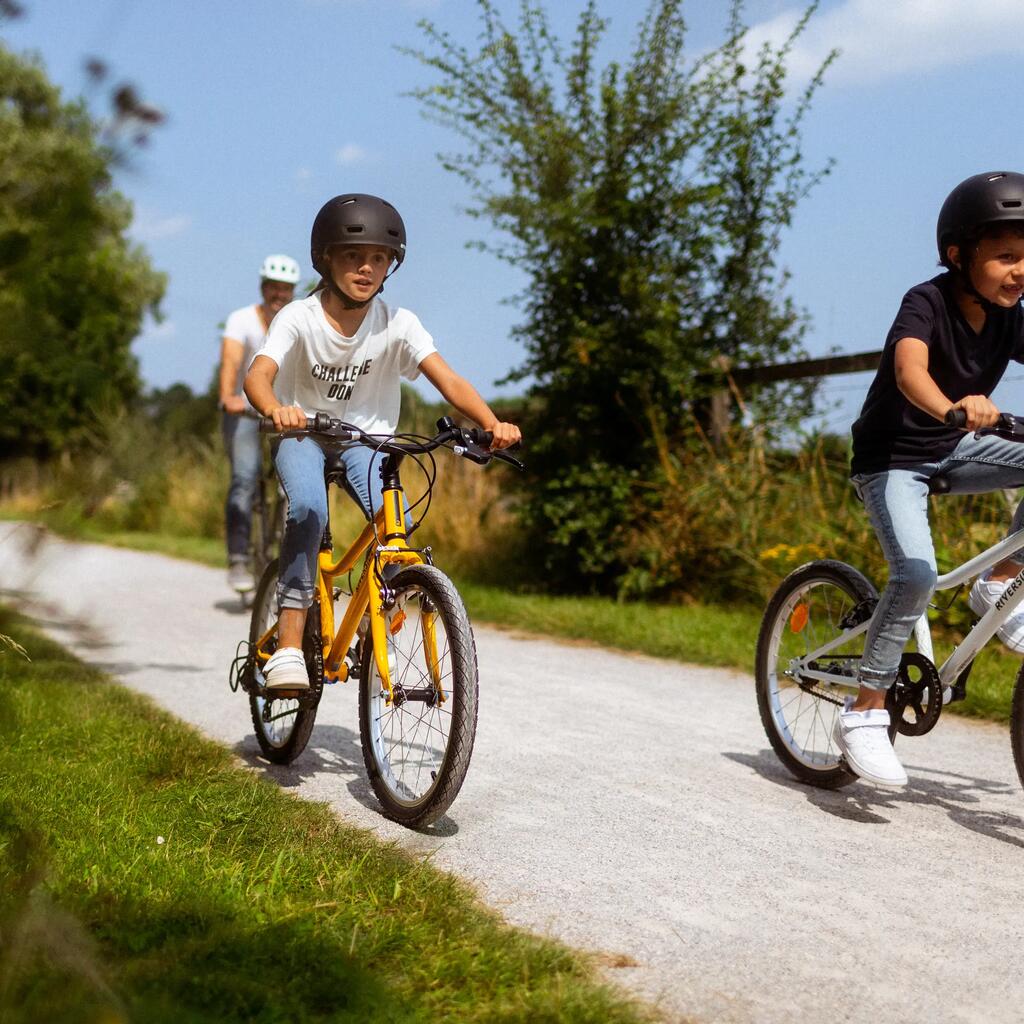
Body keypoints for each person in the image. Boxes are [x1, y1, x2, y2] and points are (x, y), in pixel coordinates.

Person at [244, 194, 521, 690]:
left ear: (392, 265)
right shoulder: (298, 318)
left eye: (379, 258)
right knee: (308, 509)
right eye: (353, 256)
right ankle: (288, 646)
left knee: (397, 525)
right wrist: (275, 409)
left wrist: (491, 422)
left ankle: (382, 613)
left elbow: (449, 382)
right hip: (303, 434)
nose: (366, 267)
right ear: (325, 259)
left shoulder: (398, 323)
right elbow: (258, 376)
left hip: (365, 441)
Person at [844, 171, 1024, 788]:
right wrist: (954, 406)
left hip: (953, 449)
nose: (1019, 270)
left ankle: (998, 583)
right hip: (892, 456)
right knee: (917, 571)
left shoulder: (1010, 317)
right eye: (1005, 256)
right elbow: (907, 369)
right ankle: (865, 710)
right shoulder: (927, 300)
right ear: (957, 253)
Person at [219, 254, 301, 592]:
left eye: (285, 289)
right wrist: (228, 396)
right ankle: (239, 558)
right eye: (273, 288)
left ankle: (290, 554)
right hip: (246, 411)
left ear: (292, 291)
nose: (278, 295)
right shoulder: (242, 320)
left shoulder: (298, 321)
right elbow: (231, 360)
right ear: (263, 288)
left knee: (293, 485)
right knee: (244, 479)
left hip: (285, 413)